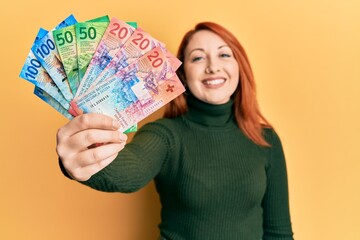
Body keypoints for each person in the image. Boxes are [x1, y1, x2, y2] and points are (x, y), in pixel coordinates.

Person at [56, 22, 294, 240]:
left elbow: (278, 233)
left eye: (224, 54)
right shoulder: (166, 135)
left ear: (240, 66)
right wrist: (82, 160)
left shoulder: (266, 140)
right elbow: (129, 170)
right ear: (182, 75)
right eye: (198, 58)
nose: (213, 67)